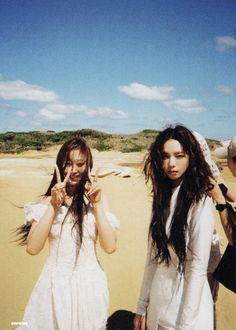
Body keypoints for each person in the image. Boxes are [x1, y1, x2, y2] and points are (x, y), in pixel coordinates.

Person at [15, 136, 119, 330]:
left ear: (88, 166)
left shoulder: (98, 201)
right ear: (60, 165)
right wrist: (54, 206)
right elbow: (32, 248)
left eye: (80, 164)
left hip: (90, 283)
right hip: (53, 285)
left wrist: (96, 204)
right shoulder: (47, 201)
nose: (73, 170)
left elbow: (110, 247)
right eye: (68, 164)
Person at [134, 125, 215, 330]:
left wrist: (186, 325)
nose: (171, 163)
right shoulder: (161, 198)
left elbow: (197, 267)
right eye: (165, 156)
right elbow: (152, 257)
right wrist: (142, 305)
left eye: (179, 155)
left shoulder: (200, 202)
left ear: (191, 157)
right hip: (159, 297)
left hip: (188, 304)